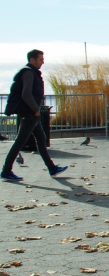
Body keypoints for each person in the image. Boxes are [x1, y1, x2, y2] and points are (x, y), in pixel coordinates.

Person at [2, 50, 68, 181]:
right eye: (40, 59)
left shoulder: (32, 72)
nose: (43, 61)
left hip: (31, 113)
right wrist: (36, 109)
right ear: (32, 60)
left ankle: (52, 168)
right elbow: (26, 94)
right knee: (20, 142)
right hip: (29, 113)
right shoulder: (28, 72)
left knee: (41, 138)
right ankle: (6, 170)